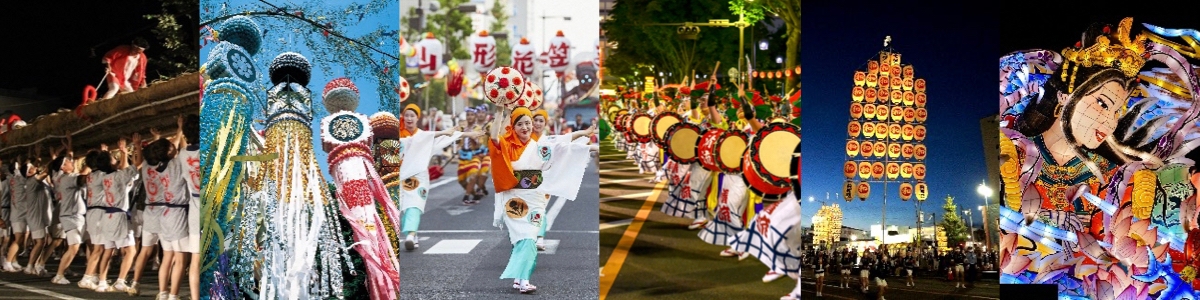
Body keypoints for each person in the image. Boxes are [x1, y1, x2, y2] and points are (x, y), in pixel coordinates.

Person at [490, 106, 597, 293]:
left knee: (529, 236)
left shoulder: (540, 146)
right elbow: (493, 138)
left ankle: (519, 278)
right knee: (524, 237)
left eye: (528, 123)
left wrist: (589, 141)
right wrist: (500, 112)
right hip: (515, 198)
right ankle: (523, 280)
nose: (525, 127)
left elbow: (564, 145)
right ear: (513, 127)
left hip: (536, 198)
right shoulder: (506, 144)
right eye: (520, 124)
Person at [49, 135, 86, 285]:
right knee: (73, 248)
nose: (72, 162)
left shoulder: (62, 176)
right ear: (63, 167)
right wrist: (91, 161)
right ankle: (59, 275)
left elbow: (71, 161)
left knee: (81, 245)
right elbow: (82, 177)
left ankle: (90, 273)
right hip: (71, 215)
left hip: (72, 214)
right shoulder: (68, 178)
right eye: (68, 162)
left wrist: (70, 145)